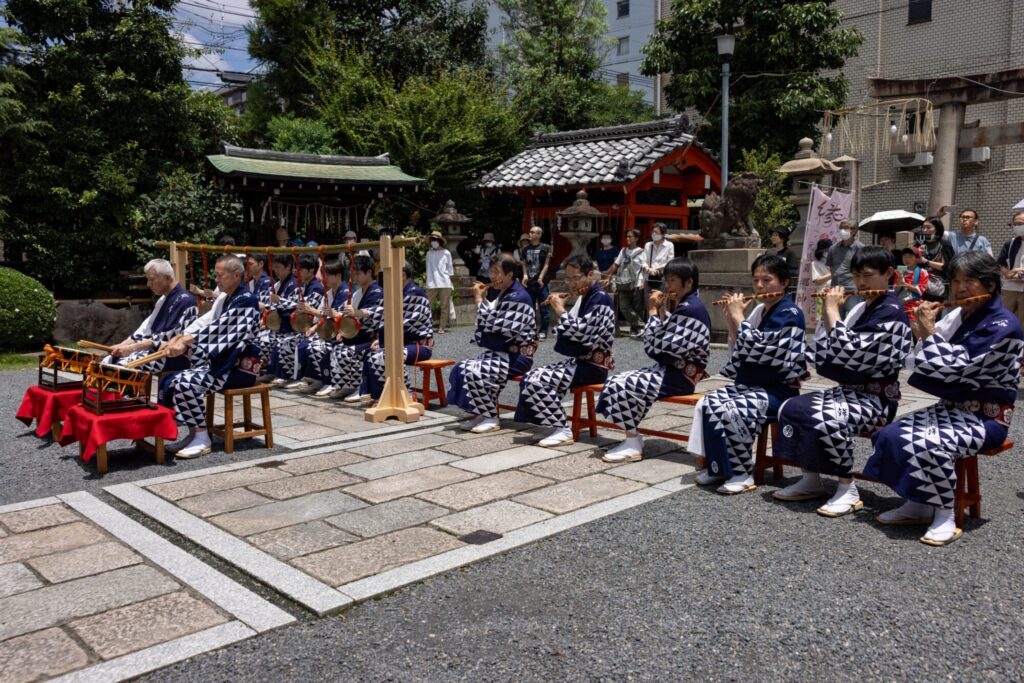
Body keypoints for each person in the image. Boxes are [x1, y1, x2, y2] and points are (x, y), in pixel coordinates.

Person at [864, 252, 1024, 546]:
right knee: (890, 433)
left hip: (985, 418)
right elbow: (922, 363)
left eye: (969, 281)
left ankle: (944, 514)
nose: (960, 289)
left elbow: (955, 369)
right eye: (955, 281)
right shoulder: (957, 316)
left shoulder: (1004, 325)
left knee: (930, 443)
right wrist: (924, 333)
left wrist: (928, 332)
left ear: (989, 284)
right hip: (949, 409)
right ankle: (918, 501)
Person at [772, 246, 913, 516]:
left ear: (889, 274)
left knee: (827, 416)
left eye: (868, 275)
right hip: (849, 391)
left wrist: (831, 311)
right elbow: (827, 351)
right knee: (793, 407)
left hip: (877, 400)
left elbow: (851, 352)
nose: (861, 283)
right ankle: (811, 478)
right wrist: (828, 316)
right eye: (857, 275)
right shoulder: (862, 308)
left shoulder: (892, 311)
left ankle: (846, 486)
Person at [691, 255, 808, 493]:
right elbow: (741, 349)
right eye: (756, 281)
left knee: (736, 409)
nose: (761, 286)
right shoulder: (760, 312)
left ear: (785, 282)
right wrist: (731, 319)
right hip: (754, 385)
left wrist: (737, 316)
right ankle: (719, 468)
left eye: (767, 280)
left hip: (779, 389)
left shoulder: (792, 313)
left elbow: (765, 352)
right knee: (709, 403)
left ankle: (742, 472)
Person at [597, 257, 711, 463]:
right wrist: (660, 309)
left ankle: (632, 442)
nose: (667, 285)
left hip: (680, 376)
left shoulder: (691, 308)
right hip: (672, 370)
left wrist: (651, 312)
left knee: (625, 384)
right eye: (666, 280)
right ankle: (632, 438)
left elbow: (657, 347)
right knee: (616, 381)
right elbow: (667, 335)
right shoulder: (686, 304)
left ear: (689, 282)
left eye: (673, 280)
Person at [159, 255, 262, 458]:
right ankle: (193, 433)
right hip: (224, 364)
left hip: (240, 369)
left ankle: (202, 437)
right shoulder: (225, 298)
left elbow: (220, 330)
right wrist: (178, 338)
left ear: (236, 275)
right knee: (173, 380)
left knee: (187, 383)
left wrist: (186, 341)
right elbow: (205, 322)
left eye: (220, 275)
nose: (217, 279)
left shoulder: (247, 300)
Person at [514, 254, 615, 447]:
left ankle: (562, 429)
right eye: (568, 279)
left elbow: (583, 334)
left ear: (590, 275)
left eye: (576, 278)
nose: (571, 283)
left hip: (593, 365)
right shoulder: (585, 297)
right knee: (531, 376)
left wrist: (560, 311)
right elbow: (565, 330)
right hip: (581, 362)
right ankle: (552, 423)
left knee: (538, 381)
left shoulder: (600, 298)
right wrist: (564, 316)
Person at [447, 253, 536, 434]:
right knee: (463, 367)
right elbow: (494, 315)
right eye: (491, 272)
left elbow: (497, 325)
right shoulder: (506, 293)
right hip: (502, 353)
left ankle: (490, 416)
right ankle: (480, 412)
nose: (492, 277)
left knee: (475, 371)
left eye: (497, 272)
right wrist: (485, 299)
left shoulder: (519, 296)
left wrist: (479, 300)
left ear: (510, 275)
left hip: (517, 356)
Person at [104, 259, 197, 372]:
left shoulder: (185, 301)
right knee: (109, 359)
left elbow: (166, 339)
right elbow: (144, 331)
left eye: (152, 279)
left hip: (173, 355)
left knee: (122, 365)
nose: (148, 284)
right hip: (155, 351)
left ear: (167, 277)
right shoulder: (163, 299)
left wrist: (131, 348)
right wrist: (120, 346)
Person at [359, 263, 434, 401]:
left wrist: (363, 313)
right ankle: (381, 395)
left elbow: (396, 320)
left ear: (403, 275)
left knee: (391, 355)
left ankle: (405, 394)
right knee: (373, 356)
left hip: (419, 345)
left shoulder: (414, 292)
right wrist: (380, 340)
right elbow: (386, 316)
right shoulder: (395, 292)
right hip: (402, 343)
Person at [320, 255, 384, 401]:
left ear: (369, 272)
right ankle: (344, 385)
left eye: (358, 273)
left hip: (371, 337)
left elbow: (375, 316)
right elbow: (349, 316)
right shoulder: (357, 293)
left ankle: (359, 387)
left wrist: (354, 315)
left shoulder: (377, 292)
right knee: (337, 349)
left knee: (347, 351)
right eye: (353, 273)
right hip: (358, 335)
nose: (354, 277)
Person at [289, 259, 349, 394]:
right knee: (306, 344)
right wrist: (314, 327)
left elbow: (334, 315)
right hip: (328, 331)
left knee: (316, 346)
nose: (323, 278)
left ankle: (329, 381)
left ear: (338, 276)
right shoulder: (328, 293)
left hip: (341, 334)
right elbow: (324, 315)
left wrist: (311, 310)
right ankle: (314, 378)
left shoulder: (345, 292)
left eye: (327, 275)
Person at [269, 254, 325, 386]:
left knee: (287, 343)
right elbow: (297, 305)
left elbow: (304, 307)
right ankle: (279, 373)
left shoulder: (316, 287)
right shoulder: (304, 286)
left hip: (313, 328)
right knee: (277, 341)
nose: (297, 272)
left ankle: (296, 377)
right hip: (302, 327)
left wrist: (281, 301)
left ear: (311, 270)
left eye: (301, 269)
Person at [606, 229, 645, 336]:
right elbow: (616, 264)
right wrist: (608, 276)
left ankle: (635, 329)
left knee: (638, 308)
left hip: (637, 283)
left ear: (636, 238)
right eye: (627, 236)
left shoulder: (642, 252)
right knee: (624, 307)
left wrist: (644, 281)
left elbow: (645, 268)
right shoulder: (623, 251)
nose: (628, 238)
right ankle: (641, 326)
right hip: (622, 282)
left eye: (630, 236)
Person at [520, 226, 553, 340]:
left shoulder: (546, 248)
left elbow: (546, 264)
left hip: (541, 284)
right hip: (529, 283)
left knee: (544, 308)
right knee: (529, 308)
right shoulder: (524, 249)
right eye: (530, 231)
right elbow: (524, 263)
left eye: (533, 232)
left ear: (539, 235)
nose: (530, 233)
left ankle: (543, 331)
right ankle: (530, 330)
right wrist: (524, 275)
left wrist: (541, 277)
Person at [825, 219, 864, 314]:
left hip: (852, 290)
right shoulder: (833, 248)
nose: (842, 230)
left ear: (854, 230)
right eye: (841, 228)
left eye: (846, 228)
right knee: (835, 319)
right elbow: (831, 267)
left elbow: (863, 269)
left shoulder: (861, 248)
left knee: (854, 317)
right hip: (835, 289)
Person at [915, 217, 954, 303]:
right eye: (923, 227)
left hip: (937, 288)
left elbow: (946, 267)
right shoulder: (918, 244)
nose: (925, 230)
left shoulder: (944, 245)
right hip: (917, 287)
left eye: (928, 227)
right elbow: (907, 264)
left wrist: (926, 261)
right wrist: (916, 253)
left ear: (937, 229)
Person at [996, 210, 1024, 326]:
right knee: (1003, 321)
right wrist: (1007, 273)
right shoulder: (1010, 243)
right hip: (1009, 288)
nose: (1017, 227)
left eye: (1021, 224)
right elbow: (1000, 263)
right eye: (1015, 224)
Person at [425, 230, 454, 334]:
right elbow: (428, 268)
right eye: (432, 240)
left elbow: (450, 268)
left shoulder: (446, 253)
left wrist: (450, 280)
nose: (433, 242)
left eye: (435, 240)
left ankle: (442, 327)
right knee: (427, 306)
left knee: (444, 306)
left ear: (439, 241)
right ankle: (427, 326)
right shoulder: (429, 253)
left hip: (444, 282)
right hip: (431, 282)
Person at [641, 223, 674, 300]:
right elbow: (643, 260)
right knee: (648, 302)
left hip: (662, 278)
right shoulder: (648, 245)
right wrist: (648, 269)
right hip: (649, 277)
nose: (654, 234)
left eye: (656, 232)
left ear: (663, 234)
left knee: (661, 302)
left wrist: (657, 270)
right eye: (653, 232)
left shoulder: (669, 245)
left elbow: (670, 262)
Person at [895, 246, 929, 323]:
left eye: (910, 257)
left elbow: (920, 290)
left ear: (917, 258)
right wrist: (899, 280)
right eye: (904, 256)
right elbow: (895, 290)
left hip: (914, 308)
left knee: (915, 331)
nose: (907, 259)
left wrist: (904, 283)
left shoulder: (922, 272)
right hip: (900, 307)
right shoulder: (900, 270)